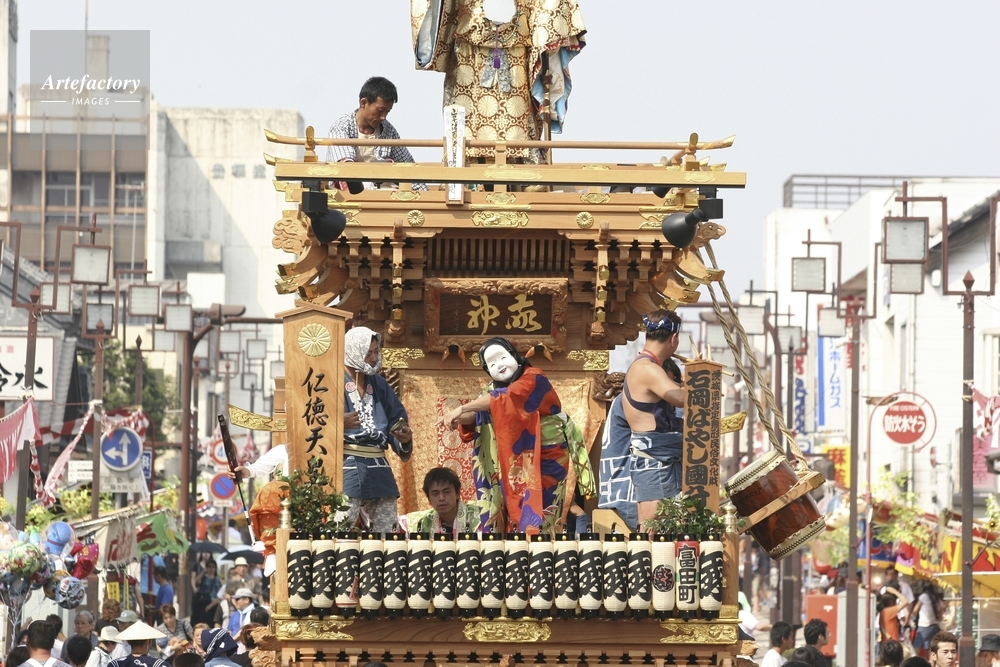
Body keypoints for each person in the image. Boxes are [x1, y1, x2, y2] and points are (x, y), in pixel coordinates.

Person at [444, 337, 595, 532]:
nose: (499, 365)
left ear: (514, 355)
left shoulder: (534, 378)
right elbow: (480, 415)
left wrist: (462, 407)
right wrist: (459, 418)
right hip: (507, 461)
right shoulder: (490, 391)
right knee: (505, 521)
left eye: (502, 357)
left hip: (545, 457)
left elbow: (505, 398)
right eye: (492, 364)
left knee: (541, 520)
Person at [411, 0, 586, 162]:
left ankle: (521, 165)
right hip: (470, 47)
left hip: (516, 47)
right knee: (467, 124)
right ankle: (465, 165)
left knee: (516, 119)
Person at [341, 326, 414, 532]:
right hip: (346, 464)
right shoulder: (331, 382)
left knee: (388, 531)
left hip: (379, 466)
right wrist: (338, 423)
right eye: (368, 353)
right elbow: (314, 420)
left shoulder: (380, 384)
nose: (374, 358)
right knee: (340, 528)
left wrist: (403, 437)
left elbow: (397, 418)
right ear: (353, 351)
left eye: (376, 352)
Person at [599, 357, 683, 532]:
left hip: (625, 485)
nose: (669, 389)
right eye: (668, 384)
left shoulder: (633, 398)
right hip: (628, 489)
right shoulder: (639, 402)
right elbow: (671, 440)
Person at [617, 310, 685, 525]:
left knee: (660, 530)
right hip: (654, 460)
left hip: (656, 458)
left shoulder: (646, 367)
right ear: (674, 339)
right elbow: (681, 398)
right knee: (655, 531)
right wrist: (704, 376)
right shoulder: (648, 368)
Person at [325, 77, 426, 191]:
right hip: (350, 195)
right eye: (380, 110)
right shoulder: (341, 127)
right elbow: (346, 168)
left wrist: (424, 194)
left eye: (387, 112)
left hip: (385, 195)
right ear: (363, 103)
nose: (383, 117)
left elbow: (408, 168)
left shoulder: (389, 131)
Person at [402, 467, 481, 536]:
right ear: (429, 499)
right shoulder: (421, 522)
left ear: (457, 493)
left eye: (446, 492)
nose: (441, 498)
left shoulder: (480, 517)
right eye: (435, 493)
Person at [912, 582, 944, 656]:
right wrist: (939, 618)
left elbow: (915, 611)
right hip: (934, 626)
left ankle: (915, 662)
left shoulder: (923, 596)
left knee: (916, 648)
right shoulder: (936, 597)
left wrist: (914, 617)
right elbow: (942, 607)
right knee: (930, 649)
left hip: (923, 626)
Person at [191, 559, 223, 627]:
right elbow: (196, 581)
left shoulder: (217, 580)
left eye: (213, 567)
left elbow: (220, 594)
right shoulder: (203, 578)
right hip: (202, 603)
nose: (211, 568)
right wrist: (203, 572)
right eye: (209, 566)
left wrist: (211, 605)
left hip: (213, 604)